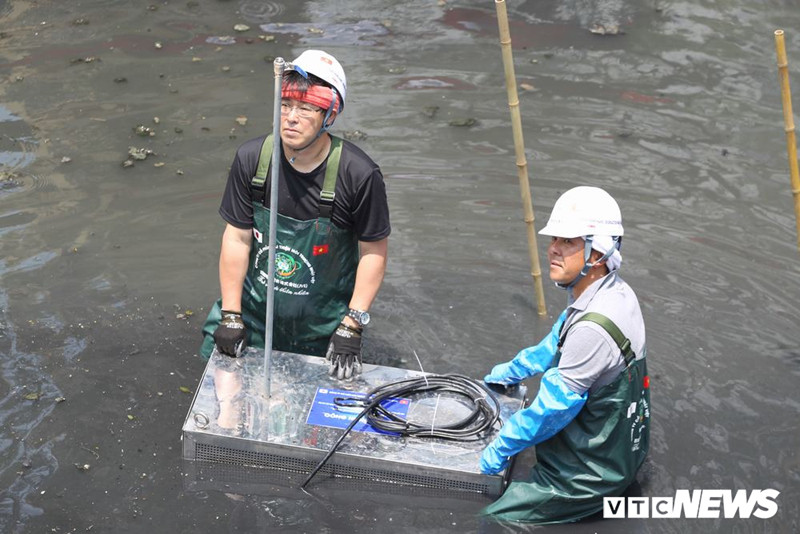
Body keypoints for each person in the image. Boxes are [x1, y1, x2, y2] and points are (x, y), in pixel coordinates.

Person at [200, 50, 390, 380]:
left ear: (329, 115)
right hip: (252, 314)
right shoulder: (252, 159)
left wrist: (352, 325)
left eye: (305, 109)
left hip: (321, 326)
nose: (291, 117)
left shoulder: (358, 174)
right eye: (285, 106)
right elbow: (237, 237)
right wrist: (231, 315)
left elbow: (373, 251)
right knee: (223, 408)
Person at [480, 186, 650, 524]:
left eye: (567, 242)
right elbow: (557, 338)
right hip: (624, 454)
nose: (552, 250)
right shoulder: (613, 292)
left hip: (585, 479)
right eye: (554, 240)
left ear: (597, 252)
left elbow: (550, 410)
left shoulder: (592, 330)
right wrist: (515, 369)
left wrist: (499, 448)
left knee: (492, 517)